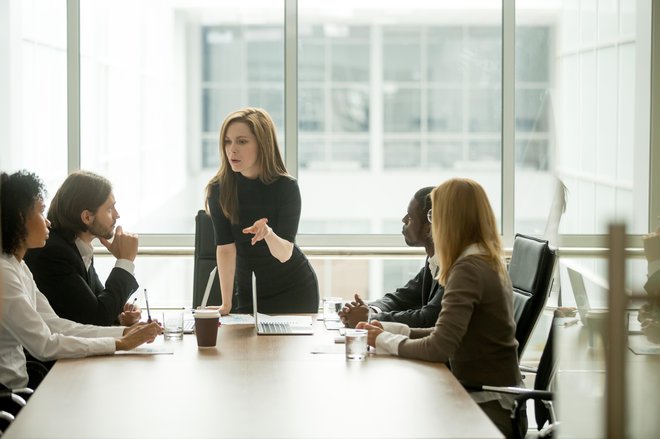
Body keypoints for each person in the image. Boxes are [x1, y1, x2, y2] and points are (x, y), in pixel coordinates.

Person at [357, 178, 525, 439]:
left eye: (434, 215)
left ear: (451, 219)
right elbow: (442, 332)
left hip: (488, 408)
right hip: (477, 394)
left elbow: (438, 347)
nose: (432, 223)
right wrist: (386, 329)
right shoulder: (480, 259)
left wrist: (383, 339)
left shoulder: (468, 269)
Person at [0, 170, 161, 390]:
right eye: (40, 212)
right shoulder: (5, 273)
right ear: (20, 219)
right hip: (10, 396)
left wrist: (123, 333)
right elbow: (45, 345)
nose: (47, 222)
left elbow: (56, 325)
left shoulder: (18, 265)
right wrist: (119, 342)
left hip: (21, 388)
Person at [205, 107, 319, 314]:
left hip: (294, 290)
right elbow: (226, 248)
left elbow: (285, 253)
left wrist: (267, 233)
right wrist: (226, 304)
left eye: (242, 141)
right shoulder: (218, 189)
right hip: (250, 290)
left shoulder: (286, 187)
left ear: (262, 145)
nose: (232, 150)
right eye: (227, 141)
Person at [24, 170, 141, 327]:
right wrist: (125, 261)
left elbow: (98, 304)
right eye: (109, 209)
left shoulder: (78, 248)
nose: (117, 215)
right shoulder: (53, 253)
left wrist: (121, 316)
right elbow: (97, 317)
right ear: (87, 217)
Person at [339, 186, 445, 328]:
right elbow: (402, 298)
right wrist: (369, 310)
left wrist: (370, 318)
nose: (404, 220)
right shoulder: (433, 260)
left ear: (428, 229)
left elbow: (428, 318)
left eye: (411, 217)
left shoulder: (454, 266)